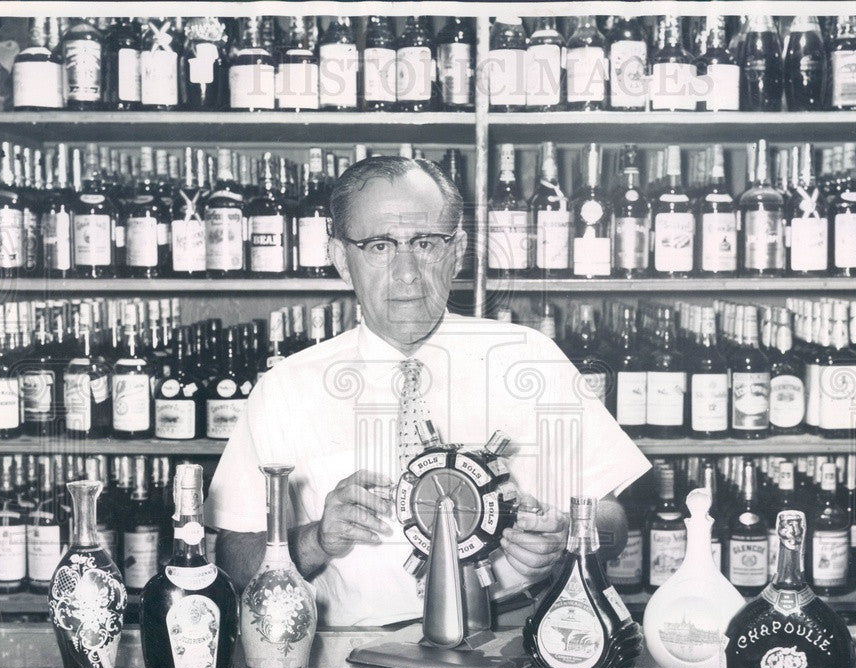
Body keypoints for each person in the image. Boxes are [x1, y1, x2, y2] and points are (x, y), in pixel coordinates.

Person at [206, 155, 651, 627]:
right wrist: (317, 539)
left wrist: (567, 535)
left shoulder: (528, 356)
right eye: (379, 246)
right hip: (350, 657)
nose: (407, 273)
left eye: (424, 243)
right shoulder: (286, 388)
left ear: (456, 252)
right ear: (340, 258)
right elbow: (232, 562)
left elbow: (613, 518)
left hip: (514, 638)